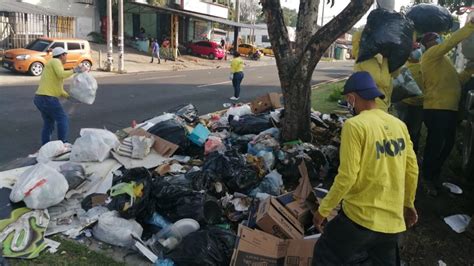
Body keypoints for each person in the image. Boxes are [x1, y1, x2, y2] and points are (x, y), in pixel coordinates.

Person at [312, 72, 419, 265]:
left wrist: (323, 210)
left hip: (359, 219)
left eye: (348, 99)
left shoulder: (354, 125)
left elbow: (347, 176)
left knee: (325, 253)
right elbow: (412, 169)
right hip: (393, 225)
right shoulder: (399, 125)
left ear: (352, 98)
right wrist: (408, 203)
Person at [420, 17, 474, 195]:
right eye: (435, 38)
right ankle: (427, 177)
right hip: (437, 108)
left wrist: (469, 70)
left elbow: (456, 81)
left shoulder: (444, 61)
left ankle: (434, 174)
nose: (439, 39)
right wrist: (470, 26)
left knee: (447, 144)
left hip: (448, 108)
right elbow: (450, 43)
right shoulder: (430, 55)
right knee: (436, 144)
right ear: (428, 43)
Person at [34, 47, 86, 145]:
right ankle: (63, 143)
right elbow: (61, 74)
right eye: (66, 55)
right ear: (62, 55)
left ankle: (45, 145)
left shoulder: (52, 64)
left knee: (49, 123)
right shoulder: (55, 61)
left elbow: (59, 89)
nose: (66, 57)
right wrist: (75, 70)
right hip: (47, 98)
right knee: (62, 119)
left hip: (40, 98)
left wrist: (70, 98)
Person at [353, 30, 399, 112]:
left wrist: (395, 59)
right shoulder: (365, 59)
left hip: (382, 102)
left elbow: (394, 75)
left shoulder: (376, 56)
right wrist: (386, 58)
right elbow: (384, 82)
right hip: (374, 105)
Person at [395, 43, 424, 154]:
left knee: (415, 132)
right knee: (403, 129)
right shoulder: (403, 67)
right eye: (414, 49)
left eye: (418, 49)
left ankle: (412, 153)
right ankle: (401, 153)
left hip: (419, 104)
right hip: (405, 104)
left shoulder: (424, 65)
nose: (417, 51)